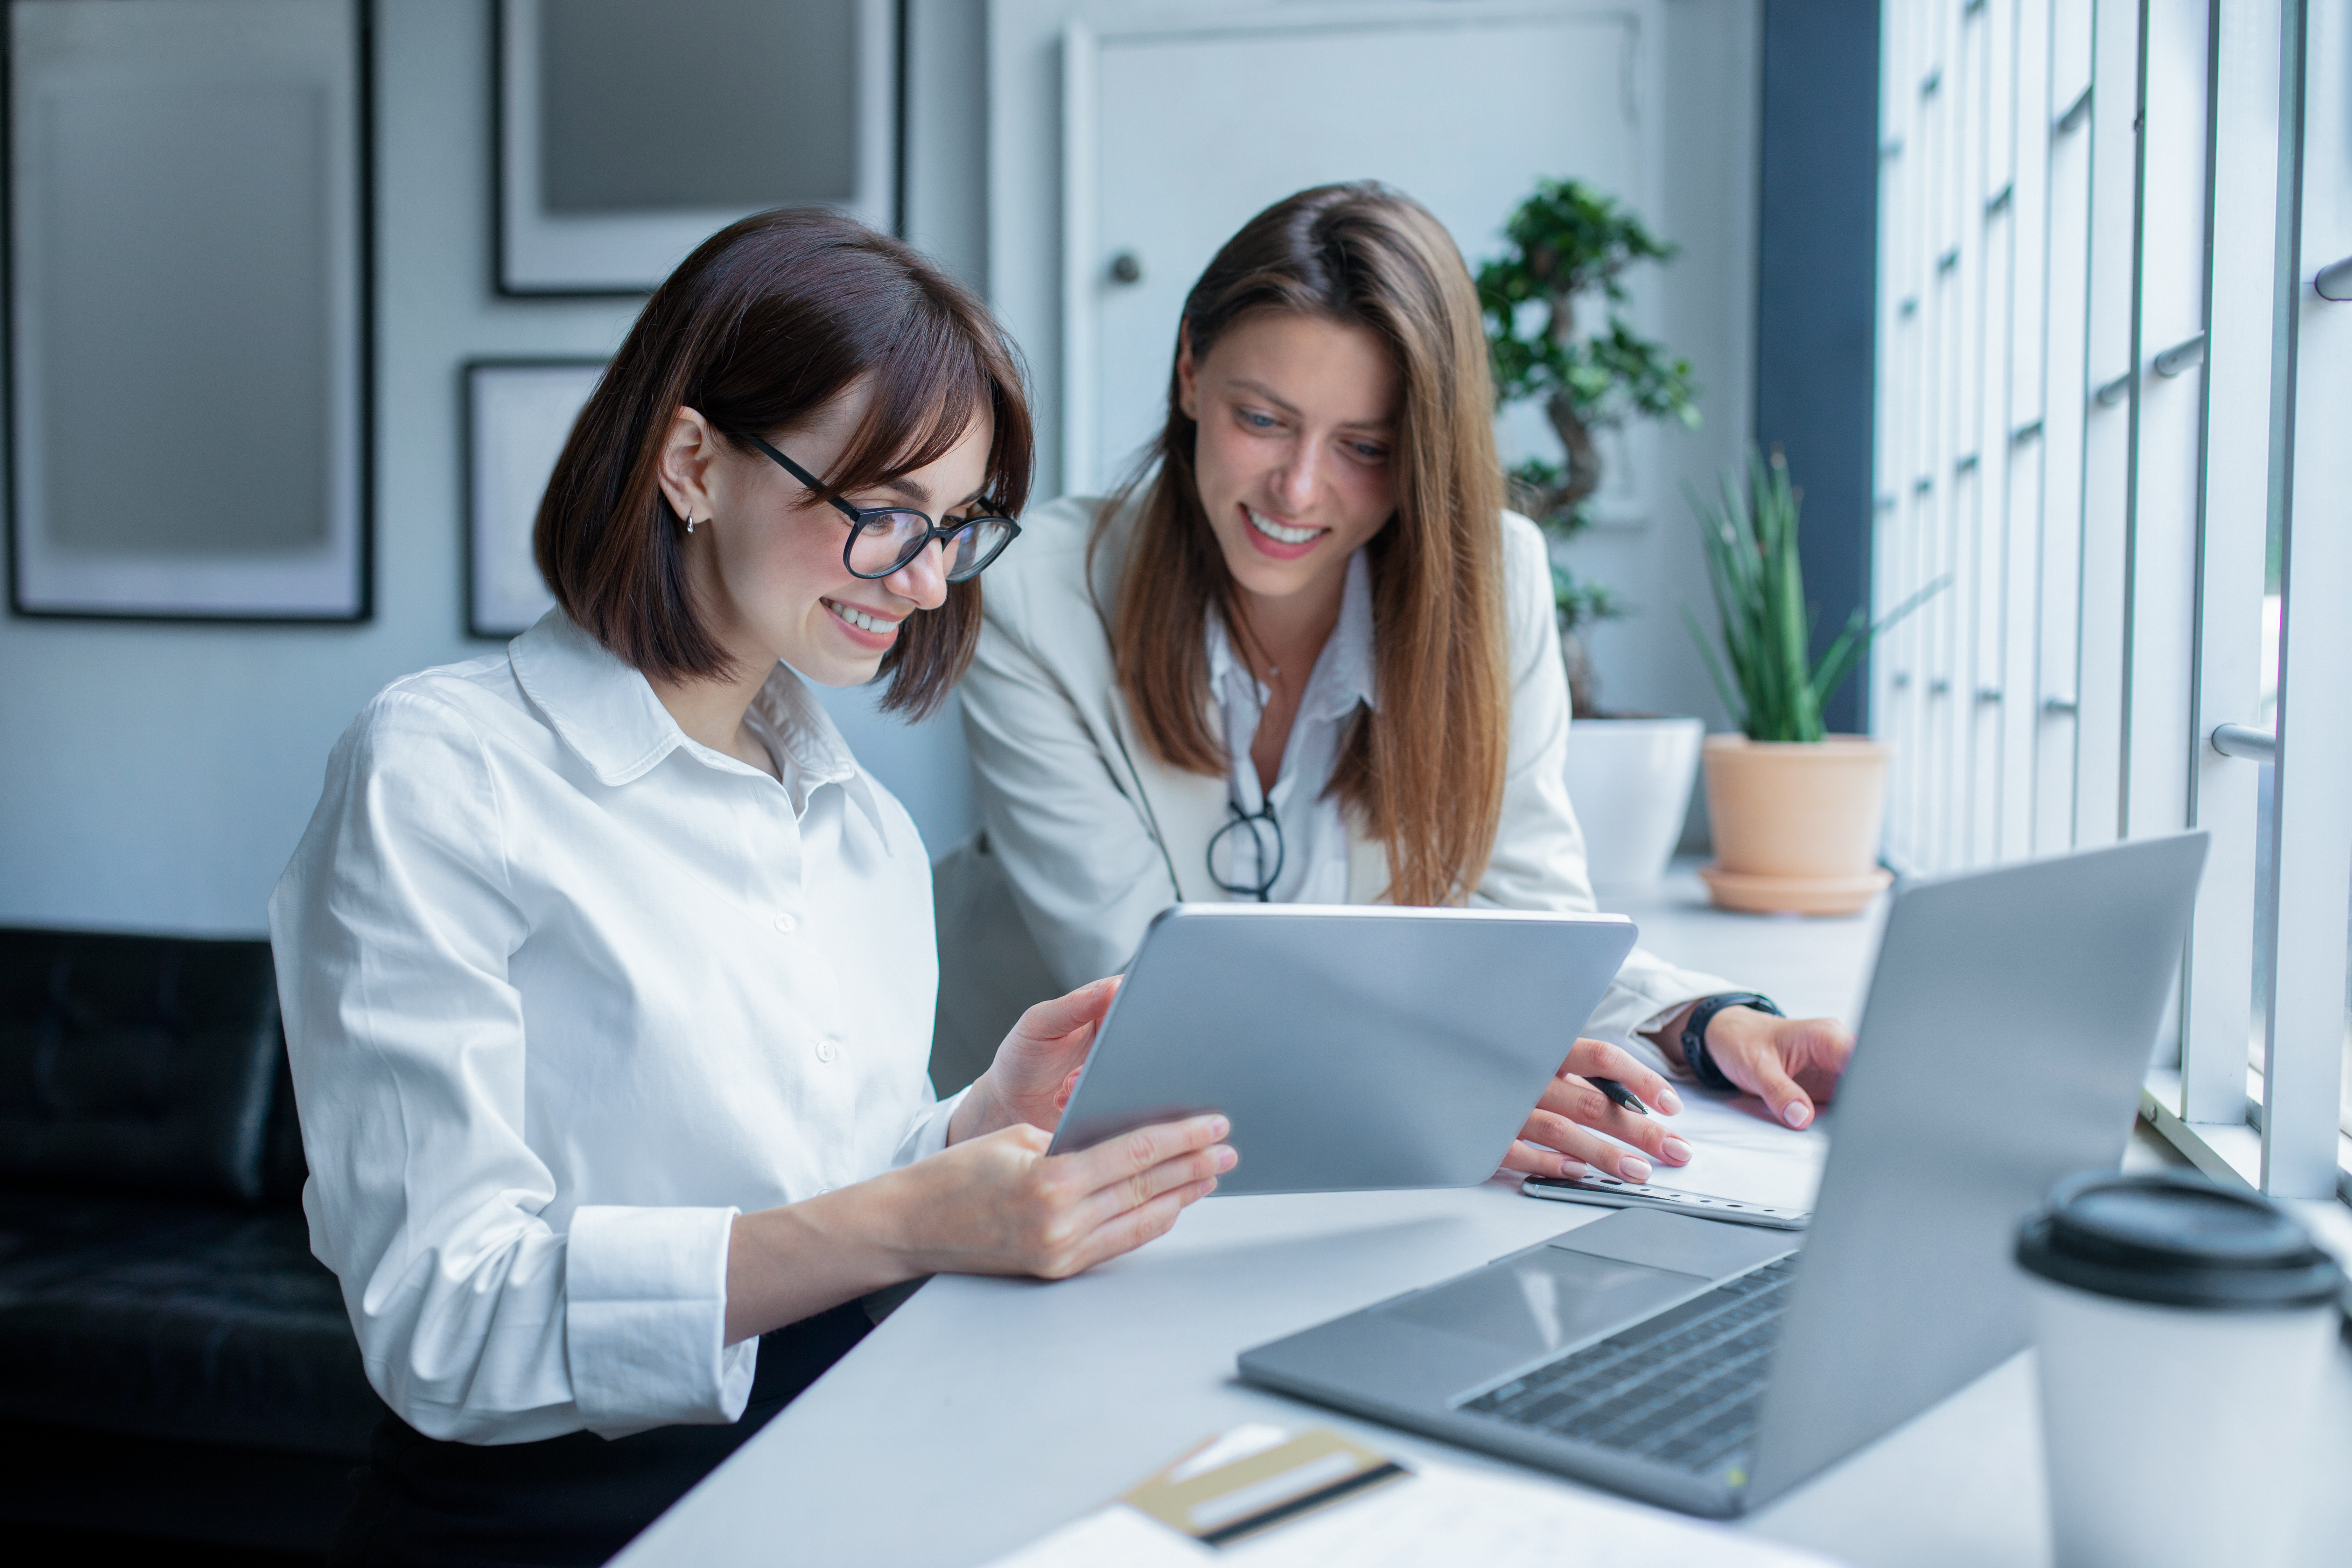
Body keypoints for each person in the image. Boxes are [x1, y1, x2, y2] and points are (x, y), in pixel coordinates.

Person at [270, 209, 1234, 1568]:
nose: (927, 577)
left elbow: (813, 1202)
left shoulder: (867, 836)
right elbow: (445, 1317)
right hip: (549, 1527)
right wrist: (910, 1216)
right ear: (691, 462)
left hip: (843, 1477)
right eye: (882, 511)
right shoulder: (440, 775)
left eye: (957, 526)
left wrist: (966, 1129)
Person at [940, 183, 1854, 1184]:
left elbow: (1529, 929)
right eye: (1262, 418)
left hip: (1342, 1157)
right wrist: (1449, 1081)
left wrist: (1706, 1023)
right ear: (1191, 374)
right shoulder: (1031, 599)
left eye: (1365, 448)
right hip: (1047, 1160)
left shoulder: (1492, 583)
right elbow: (1135, 990)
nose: (1298, 489)